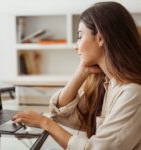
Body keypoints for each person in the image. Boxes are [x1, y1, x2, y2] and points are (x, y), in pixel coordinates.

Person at [12, 2, 141, 150]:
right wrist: (82, 71)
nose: (76, 46)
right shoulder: (107, 84)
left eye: (80, 36)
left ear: (100, 38)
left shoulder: (133, 93)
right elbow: (60, 113)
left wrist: (45, 123)